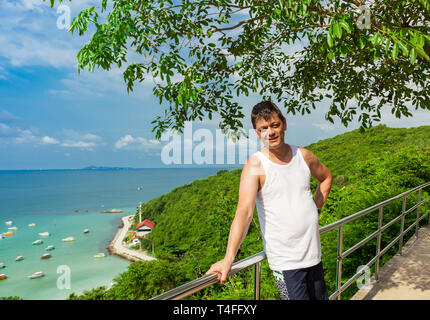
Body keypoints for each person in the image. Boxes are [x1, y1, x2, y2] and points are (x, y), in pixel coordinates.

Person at [206, 101, 333, 300]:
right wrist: (228, 258)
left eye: (274, 125)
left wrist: (315, 209)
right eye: (263, 129)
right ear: (257, 134)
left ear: (284, 123)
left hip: (313, 255)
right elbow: (244, 213)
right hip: (286, 263)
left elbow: (326, 177)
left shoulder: (304, 156)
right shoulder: (255, 165)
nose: (270, 132)